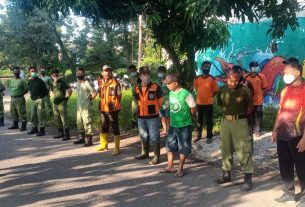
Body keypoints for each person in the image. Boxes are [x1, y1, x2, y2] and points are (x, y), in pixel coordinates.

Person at [272, 62, 305, 207]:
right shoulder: (285, 90)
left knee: (302, 167)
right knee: (285, 165)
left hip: (299, 136)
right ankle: (289, 192)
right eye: (284, 73)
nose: (284, 76)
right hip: (283, 135)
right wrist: (275, 129)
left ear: (297, 72)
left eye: (287, 73)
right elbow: (281, 111)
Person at [216, 67, 254, 191]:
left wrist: (240, 117)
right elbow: (220, 105)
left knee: (243, 149)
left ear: (239, 80)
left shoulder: (245, 90)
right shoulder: (222, 90)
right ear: (226, 79)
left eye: (236, 81)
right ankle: (226, 174)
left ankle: (248, 177)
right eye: (231, 81)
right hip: (226, 122)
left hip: (240, 121)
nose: (233, 83)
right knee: (225, 148)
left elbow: (249, 107)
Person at [159, 74, 196, 177]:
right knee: (170, 144)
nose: (167, 86)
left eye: (168, 84)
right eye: (166, 84)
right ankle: (170, 166)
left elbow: (193, 108)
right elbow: (167, 105)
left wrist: (191, 117)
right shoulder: (170, 93)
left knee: (183, 146)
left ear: (175, 83)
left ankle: (180, 169)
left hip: (184, 125)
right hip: (173, 124)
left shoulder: (186, 94)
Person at [134, 66, 164, 165]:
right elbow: (137, 100)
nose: (146, 77)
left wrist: (154, 109)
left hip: (152, 117)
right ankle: (144, 153)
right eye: (144, 75)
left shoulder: (155, 86)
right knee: (143, 135)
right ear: (140, 76)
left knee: (155, 137)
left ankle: (156, 157)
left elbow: (161, 100)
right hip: (141, 116)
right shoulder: (137, 88)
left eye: (147, 75)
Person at [95, 65, 122, 156]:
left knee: (115, 127)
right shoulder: (100, 82)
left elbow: (119, 96)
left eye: (109, 71)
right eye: (105, 71)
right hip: (103, 108)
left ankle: (117, 148)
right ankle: (104, 145)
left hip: (113, 109)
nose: (107, 73)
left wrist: (115, 105)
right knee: (104, 126)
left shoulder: (115, 83)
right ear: (102, 72)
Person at [193, 61, 219, 144]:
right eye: (205, 66)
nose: (206, 68)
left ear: (210, 68)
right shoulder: (196, 79)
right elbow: (196, 89)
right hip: (199, 103)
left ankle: (209, 136)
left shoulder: (213, 79)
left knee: (209, 120)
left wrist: (210, 96)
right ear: (202, 67)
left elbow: (215, 91)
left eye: (208, 67)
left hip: (209, 103)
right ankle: (198, 136)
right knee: (199, 120)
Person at [73, 67, 97, 147]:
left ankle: (89, 140)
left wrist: (89, 100)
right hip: (79, 106)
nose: (79, 75)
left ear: (84, 73)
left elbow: (94, 93)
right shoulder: (77, 82)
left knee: (87, 122)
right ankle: (82, 138)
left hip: (86, 107)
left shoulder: (86, 82)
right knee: (79, 123)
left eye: (81, 73)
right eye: (78, 73)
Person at [243, 61, 268, 137]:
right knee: (249, 116)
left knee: (258, 116)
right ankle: (249, 130)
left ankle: (257, 131)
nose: (255, 68)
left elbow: (264, 88)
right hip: (249, 101)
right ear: (250, 68)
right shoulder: (246, 76)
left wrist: (260, 96)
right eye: (253, 66)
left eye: (256, 66)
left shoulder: (261, 76)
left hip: (258, 101)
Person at [51, 69, 72, 141]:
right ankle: (60, 133)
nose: (55, 76)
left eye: (57, 75)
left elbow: (69, 90)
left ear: (58, 75)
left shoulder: (62, 82)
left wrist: (67, 98)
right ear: (51, 76)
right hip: (55, 103)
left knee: (64, 119)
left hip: (62, 103)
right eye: (54, 75)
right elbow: (53, 92)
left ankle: (67, 135)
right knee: (57, 118)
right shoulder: (52, 83)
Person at [27, 66, 49, 136]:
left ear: (36, 72)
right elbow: (30, 90)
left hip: (40, 99)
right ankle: (34, 129)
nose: (33, 72)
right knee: (33, 115)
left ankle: (42, 130)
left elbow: (46, 91)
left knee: (40, 115)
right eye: (31, 71)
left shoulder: (40, 81)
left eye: (34, 71)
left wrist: (41, 97)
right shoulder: (29, 81)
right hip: (33, 100)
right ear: (29, 73)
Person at [8, 66, 28, 131]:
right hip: (12, 98)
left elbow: (26, 89)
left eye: (17, 73)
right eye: (15, 73)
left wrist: (21, 93)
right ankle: (15, 125)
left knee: (21, 111)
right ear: (13, 73)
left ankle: (23, 126)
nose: (16, 74)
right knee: (13, 111)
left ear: (19, 73)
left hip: (20, 98)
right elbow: (10, 88)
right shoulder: (11, 80)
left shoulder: (22, 80)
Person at [157, 66, 170, 137]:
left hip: (167, 101)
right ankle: (165, 130)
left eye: (162, 72)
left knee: (167, 116)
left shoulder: (168, 80)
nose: (160, 73)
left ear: (165, 72)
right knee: (162, 116)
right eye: (159, 72)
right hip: (160, 101)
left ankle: (169, 129)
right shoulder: (158, 80)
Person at [128, 64, 141, 129]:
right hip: (134, 96)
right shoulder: (130, 77)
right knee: (134, 109)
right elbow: (131, 85)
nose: (132, 72)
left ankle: (140, 123)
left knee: (141, 109)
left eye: (133, 70)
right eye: (131, 71)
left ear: (136, 69)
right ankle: (134, 123)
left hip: (141, 95)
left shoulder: (140, 76)